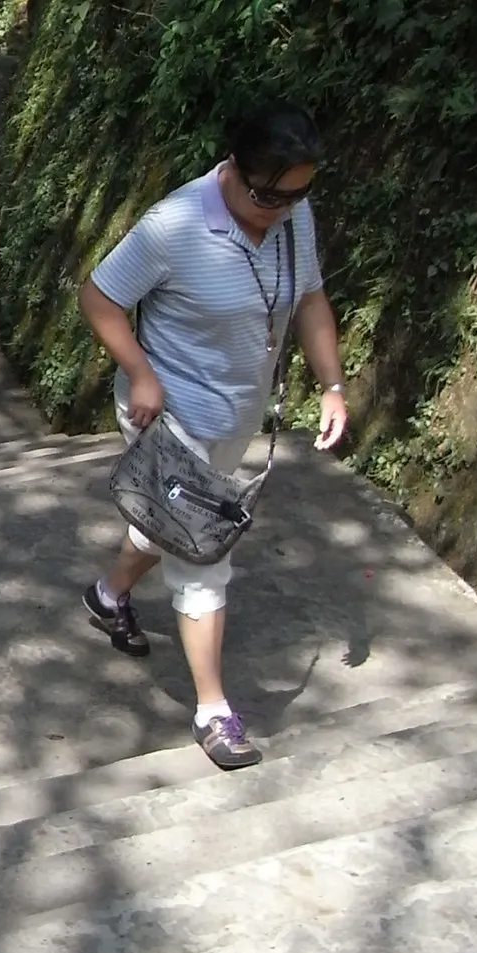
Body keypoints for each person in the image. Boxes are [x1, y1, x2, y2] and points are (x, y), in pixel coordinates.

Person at [77, 103, 350, 771]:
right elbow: (98, 296)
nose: (280, 208)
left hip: (237, 415)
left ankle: (108, 595)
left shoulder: (292, 216)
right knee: (202, 557)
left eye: (296, 194)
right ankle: (214, 712)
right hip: (167, 420)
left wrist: (333, 385)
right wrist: (138, 372)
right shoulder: (174, 225)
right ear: (232, 168)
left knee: (169, 528)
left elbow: (310, 299)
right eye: (267, 195)